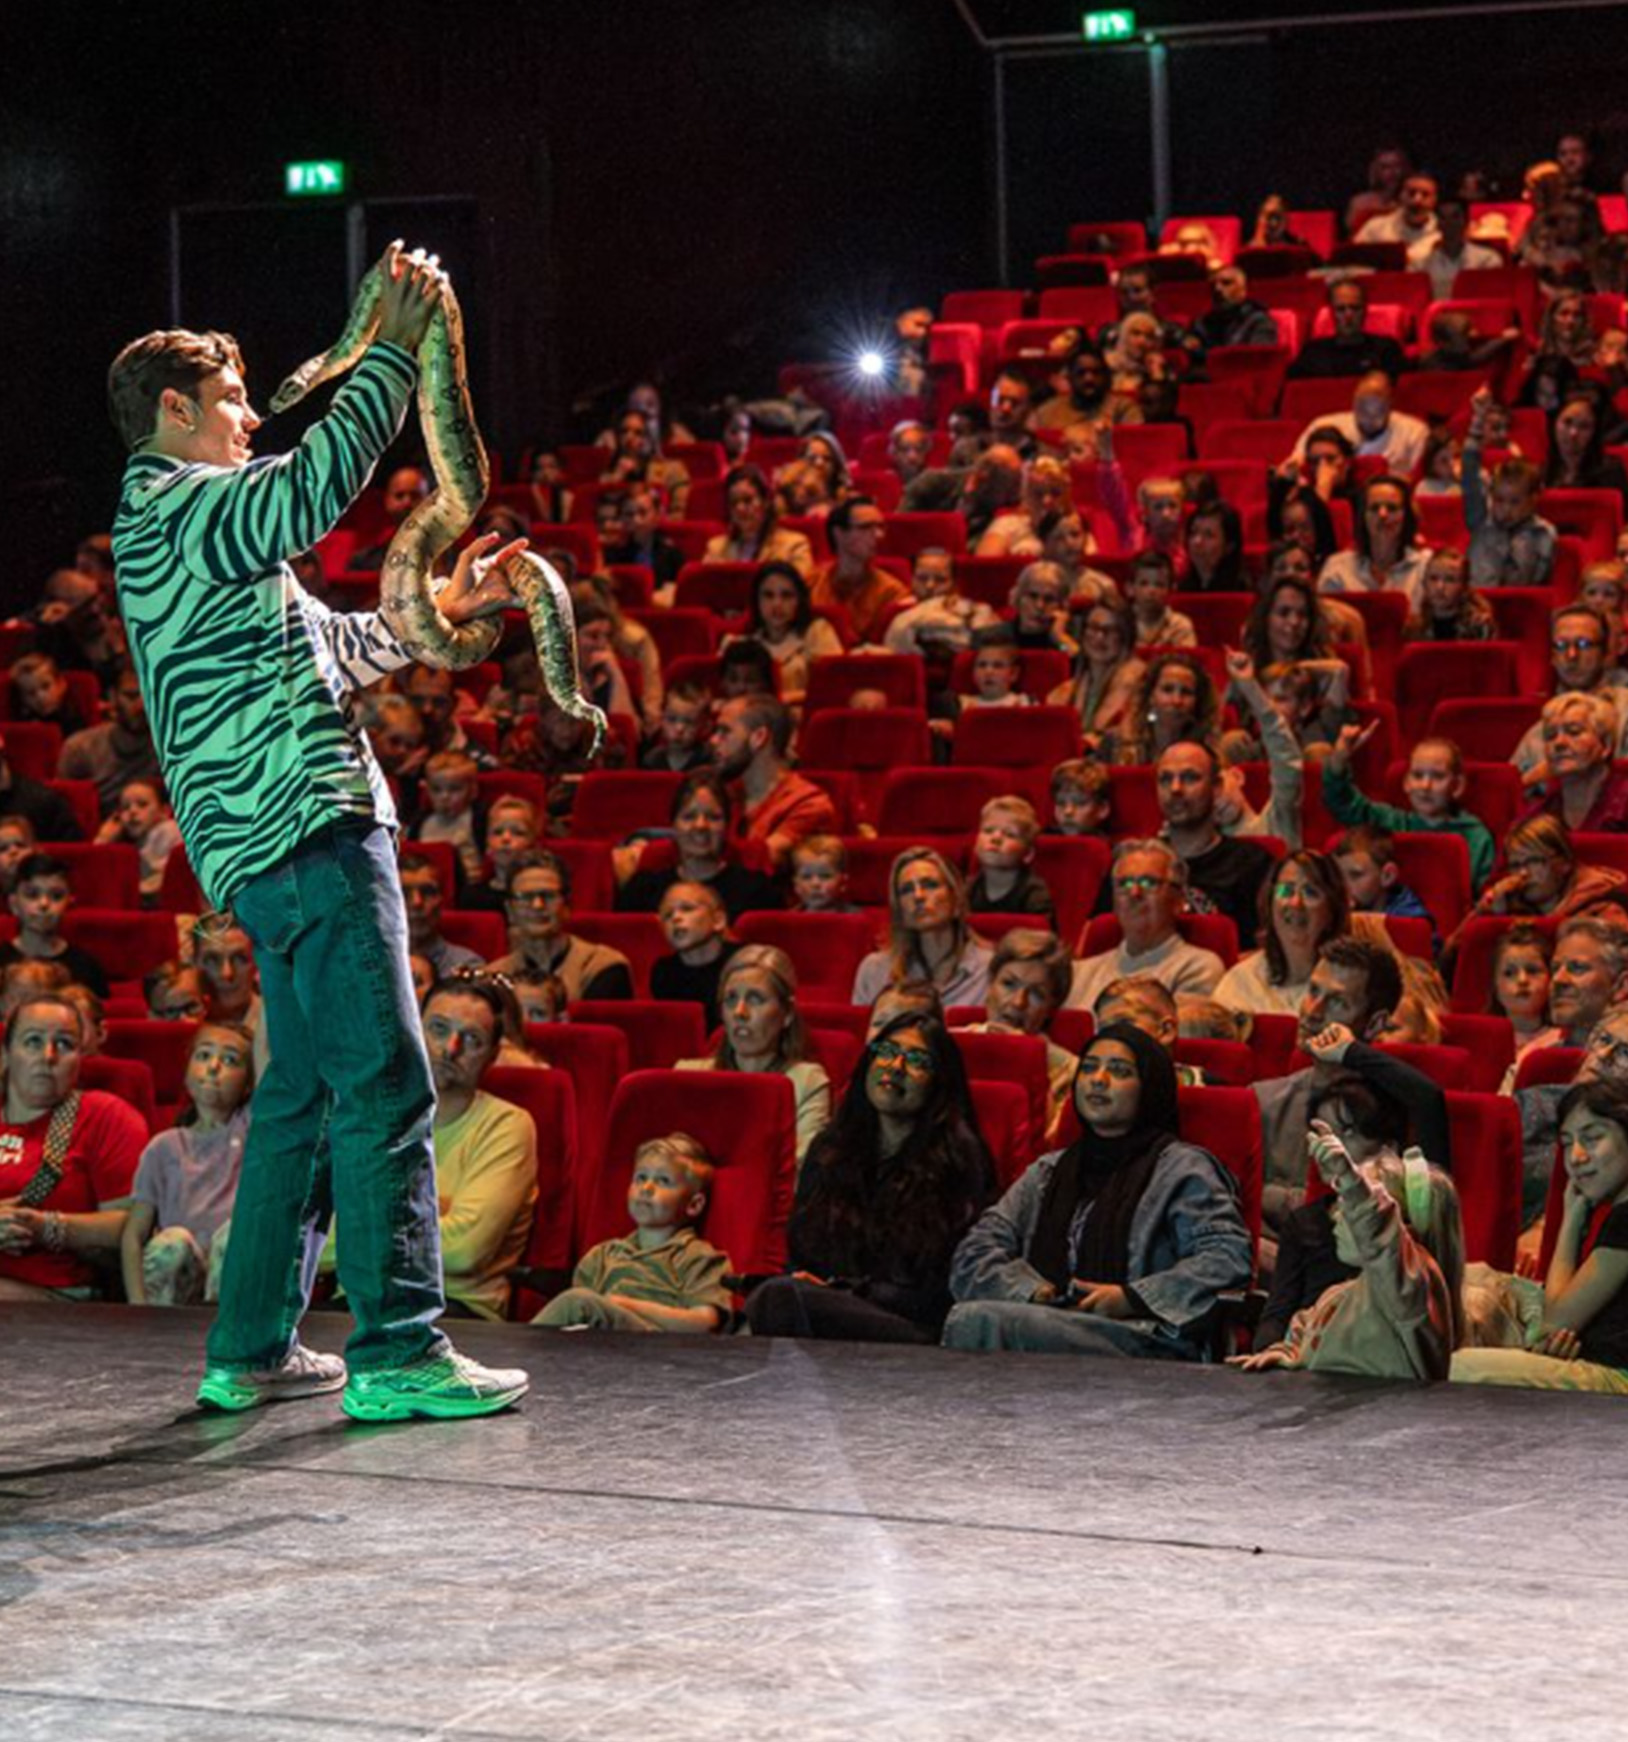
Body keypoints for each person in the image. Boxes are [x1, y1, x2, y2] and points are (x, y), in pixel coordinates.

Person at [109, 249, 528, 1418]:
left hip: (263, 850)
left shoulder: (180, 533)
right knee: (389, 1082)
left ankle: (247, 1343)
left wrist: (447, 610)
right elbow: (312, 489)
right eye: (236, 402)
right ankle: (400, 1348)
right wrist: (393, 349)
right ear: (176, 412)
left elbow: (332, 651)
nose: (251, 417)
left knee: (295, 1097)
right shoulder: (188, 506)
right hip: (310, 821)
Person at [942, 1023, 1252, 1360]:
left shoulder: (1182, 1169)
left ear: (1150, 1089)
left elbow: (1226, 1257)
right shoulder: (1049, 1171)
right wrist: (1033, 1292)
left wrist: (1130, 1298)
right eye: (1089, 1067)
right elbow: (975, 1250)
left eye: (1119, 1071)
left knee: (979, 1321)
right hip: (1052, 1320)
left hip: (1145, 1336)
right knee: (978, 1318)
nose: (1098, 1079)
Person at [745, 1013, 996, 1343]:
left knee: (779, 1299)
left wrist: (847, 1291)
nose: (895, 1066)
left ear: (940, 1080)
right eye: (886, 1051)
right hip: (828, 1307)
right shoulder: (831, 1148)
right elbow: (801, 1249)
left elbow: (946, 1285)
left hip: (913, 1326)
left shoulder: (960, 1160)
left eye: (917, 1059)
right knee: (775, 1295)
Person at [1230, 1118, 1463, 1381]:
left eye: (1349, 1208)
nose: (1336, 1216)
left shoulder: (1414, 1285)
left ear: (1398, 1229)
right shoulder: (1339, 1294)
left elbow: (1379, 1233)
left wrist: (1351, 1180)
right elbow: (1308, 1329)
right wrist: (1289, 1354)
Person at [1451, 1080, 1628, 1394]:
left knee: (1459, 1366)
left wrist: (1570, 1220)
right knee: (1474, 1279)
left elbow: (1553, 1325)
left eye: (1593, 1138)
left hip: (1614, 1375)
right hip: (1584, 1344)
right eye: (1567, 1141)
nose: (1576, 1156)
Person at [0, 992, 147, 1301]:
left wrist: (46, 1227)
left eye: (64, 1044)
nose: (48, 1055)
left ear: (82, 1058)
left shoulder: (105, 1115)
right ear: (6, 1054)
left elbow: (132, 1225)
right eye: (33, 1041)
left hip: (58, 1293)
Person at [534, 1133, 733, 1333]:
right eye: (640, 1178)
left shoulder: (698, 1256)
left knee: (578, 1302)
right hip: (596, 1348)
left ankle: (518, 1355)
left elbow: (705, 1322)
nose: (646, 1188)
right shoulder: (603, 1255)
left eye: (663, 1181)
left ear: (694, 1204)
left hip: (660, 1348)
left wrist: (623, 1304)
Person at [120, 1021, 253, 1307]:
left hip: (230, 1283)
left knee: (233, 1236)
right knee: (173, 1243)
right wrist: (137, 1304)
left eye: (230, 1060)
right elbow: (134, 1234)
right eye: (204, 1056)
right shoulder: (163, 1146)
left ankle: (228, 1327)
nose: (214, 1066)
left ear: (248, 1084)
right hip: (178, 1282)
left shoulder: (250, 1130)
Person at [675, 945, 832, 1165]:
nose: (739, 1012)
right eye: (730, 999)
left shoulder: (806, 1081)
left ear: (787, 1013)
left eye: (755, 999)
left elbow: (801, 1169)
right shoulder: (687, 1075)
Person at [1322, 723, 1495, 891]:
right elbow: (1343, 803)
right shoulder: (1390, 822)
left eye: (1438, 776)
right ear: (1406, 783)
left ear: (1457, 786)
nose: (1425, 785)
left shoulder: (1475, 836)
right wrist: (1340, 757)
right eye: (1418, 775)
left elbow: (1482, 894)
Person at [1067, 839, 1226, 1011]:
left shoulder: (1198, 968)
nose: (1134, 893)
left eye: (1149, 883)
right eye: (1124, 884)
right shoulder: (1080, 973)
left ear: (1179, 900)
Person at [1153, 742, 1277, 948]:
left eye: (1190, 777)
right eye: (1165, 779)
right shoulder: (1135, 861)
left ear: (1217, 787)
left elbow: (1264, 952)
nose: (1175, 788)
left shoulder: (1252, 863)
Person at [962, 928, 1078, 1138]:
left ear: (1052, 1007)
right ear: (990, 986)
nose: (1018, 1002)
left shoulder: (1068, 1071)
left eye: (1036, 993)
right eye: (1009, 984)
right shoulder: (951, 1044)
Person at [617, 770, 778, 921]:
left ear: (727, 826)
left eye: (713, 817)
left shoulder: (756, 891)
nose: (701, 826)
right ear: (674, 825)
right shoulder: (643, 890)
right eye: (689, 817)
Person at [707, 693, 838, 873]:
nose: (713, 740)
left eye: (725, 731)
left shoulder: (809, 805)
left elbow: (763, 861)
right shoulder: (724, 793)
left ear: (758, 737)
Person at [1214, 850, 1350, 1018]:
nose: (1295, 903)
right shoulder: (1243, 980)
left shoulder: (1348, 983)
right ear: (1270, 902)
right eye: (1286, 890)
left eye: (1310, 892)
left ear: (1332, 910)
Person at [853, 849, 994, 1009]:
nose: (918, 896)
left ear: (956, 898)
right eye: (906, 890)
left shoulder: (989, 969)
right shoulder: (875, 970)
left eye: (930, 885)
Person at [487, 849, 633, 1000]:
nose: (538, 905)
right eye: (525, 897)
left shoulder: (602, 966)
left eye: (548, 896)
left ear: (567, 905)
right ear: (510, 910)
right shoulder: (493, 977)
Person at [1510, 607, 1628, 780]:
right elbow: (1513, 791)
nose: (1571, 655)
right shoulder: (1538, 733)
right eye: (1561, 646)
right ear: (1552, 657)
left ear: (1604, 653)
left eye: (1584, 644)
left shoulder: (1625, 710)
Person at [1461, 388, 1556, 588]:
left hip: (1521, 606)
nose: (1505, 509)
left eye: (1514, 502)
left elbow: (1541, 582)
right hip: (1478, 604)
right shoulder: (1480, 520)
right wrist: (1477, 422)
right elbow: (1470, 474)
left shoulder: (1544, 533)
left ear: (1533, 499)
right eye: (1499, 500)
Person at [722, 561, 842, 709]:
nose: (777, 604)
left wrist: (782, 699)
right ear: (756, 601)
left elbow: (834, 687)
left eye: (786, 596)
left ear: (799, 600)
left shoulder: (817, 632)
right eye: (768, 595)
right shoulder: (744, 643)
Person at [56, 662, 163, 817]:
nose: (141, 706)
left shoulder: (175, 748)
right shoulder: (80, 748)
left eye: (149, 696)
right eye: (131, 696)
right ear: (112, 696)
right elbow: (66, 814)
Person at [0, 852, 110, 996]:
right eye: (32, 894)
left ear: (68, 904)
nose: (44, 904)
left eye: (56, 896)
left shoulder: (86, 967)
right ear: (13, 904)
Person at [1517, 692, 1628, 833]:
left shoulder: (1623, 803)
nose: (1559, 743)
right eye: (1550, 736)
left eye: (1574, 732)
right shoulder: (1539, 813)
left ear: (1605, 745)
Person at [1318, 475, 1432, 608]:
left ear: (1407, 517)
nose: (1382, 514)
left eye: (1392, 508)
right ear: (1363, 517)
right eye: (1374, 508)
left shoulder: (1425, 568)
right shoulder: (1338, 568)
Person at [809, 496, 908, 643]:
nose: (879, 535)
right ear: (839, 534)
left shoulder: (892, 592)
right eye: (866, 527)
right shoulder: (810, 583)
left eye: (880, 527)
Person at [1291, 372, 1430, 477]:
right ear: (1354, 403)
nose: (1370, 416)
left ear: (1390, 405)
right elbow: (1297, 464)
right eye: (1363, 407)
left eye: (1378, 409)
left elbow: (1420, 479)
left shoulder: (1415, 432)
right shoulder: (1322, 425)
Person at [1050, 596, 1145, 743]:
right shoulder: (1071, 687)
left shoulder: (1138, 681)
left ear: (1125, 637)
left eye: (1110, 630)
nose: (1099, 637)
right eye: (1093, 627)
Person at [1488, 924, 1566, 1091]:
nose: (1522, 980)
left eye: (1532, 971)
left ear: (1550, 979)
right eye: (1509, 973)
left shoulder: (1563, 1041)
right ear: (1495, 985)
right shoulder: (1481, 1042)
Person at [884, 546, 1000, 657]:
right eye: (922, 578)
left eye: (940, 579)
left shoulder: (975, 613)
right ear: (911, 580)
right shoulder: (896, 612)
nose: (930, 586)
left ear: (954, 584)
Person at [701, 464, 814, 577]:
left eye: (747, 500)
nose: (740, 508)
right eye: (734, 502)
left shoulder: (794, 546)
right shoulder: (715, 549)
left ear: (765, 502)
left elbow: (800, 590)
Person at [651, 880, 735, 1030]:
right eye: (667, 915)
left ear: (718, 920)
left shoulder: (743, 962)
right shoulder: (663, 972)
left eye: (687, 909)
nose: (676, 918)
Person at [1286, 280, 1409, 381]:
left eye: (1355, 308)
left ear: (1365, 311)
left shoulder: (1386, 351)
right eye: (1341, 309)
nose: (1348, 315)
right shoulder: (1312, 353)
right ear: (1332, 312)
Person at [93, 775, 183, 903]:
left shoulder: (168, 831)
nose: (132, 811)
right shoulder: (128, 841)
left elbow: (151, 887)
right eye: (125, 807)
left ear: (164, 811)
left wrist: (101, 842)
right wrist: (103, 838)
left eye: (142, 804)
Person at [966, 795, 1053, 920]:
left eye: (1010, 834)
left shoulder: (1035, 895)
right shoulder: (967, 890)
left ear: (1028, 854)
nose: (995, 838)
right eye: (988, 830)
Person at [1407, 193, 1502, 300]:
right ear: (1437, 224)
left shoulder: (1488, 260)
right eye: (1443, 218)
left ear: (1466, 221)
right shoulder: (1420, 265)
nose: (1449, 223)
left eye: (1455, 217)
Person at [1543, 391, 1628, 505]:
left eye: (1584, 426)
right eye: (1567, 422)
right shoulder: (1542, 471)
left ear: (1594, 433)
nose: (1573, 433)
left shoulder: (1610, 471)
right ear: (1555, 423)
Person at [601, 483, 686, 593]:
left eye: (642, 513)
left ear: (657, 515)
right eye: (629, 514)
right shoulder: (613, 554)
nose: (636, 520)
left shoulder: (672, 555)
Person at [1401, 547, 1496, 642]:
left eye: (1450, 580)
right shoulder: (1414, 628)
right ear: (1424, 583)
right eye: (1433, 578)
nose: (1440, 587)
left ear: (1464, 586)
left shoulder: (1479, 624)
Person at [1190, 265, 1279, 352]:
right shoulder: (1201, 323)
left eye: (1226, 283)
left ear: (1243, 290)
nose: (1217, 289)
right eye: (1213, 285)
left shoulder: (1259, 321)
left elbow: (1257, 359)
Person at [640, 680, 712, 774]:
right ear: (662, 719)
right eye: (672, 719)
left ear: (705, 727)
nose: (679, 728)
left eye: (689, 722)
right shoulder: (652, 759)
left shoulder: (708, 759)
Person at [1126, 552, 1195, 649]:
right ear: (1130, 589)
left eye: (1159, 585)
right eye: (1144, 584)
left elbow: (1185, 661)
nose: (1151, 591)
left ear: (1171, 590)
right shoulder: (1119, 624)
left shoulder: (1180, 625)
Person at [1355, 170, 1440, 249]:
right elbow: (1353, 260)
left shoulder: (1442, 235)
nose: (1417, 200)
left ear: (1434, 200)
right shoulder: (1376, 227)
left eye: (1425, 195)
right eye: (1411, 193)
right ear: (1400, 195)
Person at [959, 626, 1030, 711]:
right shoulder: (961, 704)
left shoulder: (1026, 703)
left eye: (998, 665)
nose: (988, 672)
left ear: (1014, 673)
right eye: (982, 665)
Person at [1182, 502, 1248, 595]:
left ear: (1229, 546)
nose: (1197, 541)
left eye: (1209, 535)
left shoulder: (1241, 590)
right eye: (1193, 532)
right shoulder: (1182, 588)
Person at [1047, 758, 1111, 839]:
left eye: (1080, 803)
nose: (1068, 811)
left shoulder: (1110, 850)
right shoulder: (1040, 844)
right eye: (1061, 803)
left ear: (1102, 809)